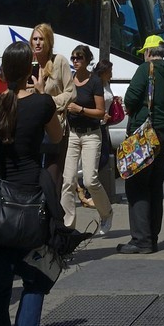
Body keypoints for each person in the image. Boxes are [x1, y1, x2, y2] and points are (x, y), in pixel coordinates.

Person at [0, 41, 63, 326]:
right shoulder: (41, 104)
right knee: (35, 275)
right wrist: (43, 92)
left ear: (3, 70)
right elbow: (57, 137)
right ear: (29, 72)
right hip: (31, 198)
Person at [119, 34, 164, 255]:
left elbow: (130, 99)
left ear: (148, 52)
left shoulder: (145, 70)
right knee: (155, 186)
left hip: (145, 135)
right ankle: (151, 237)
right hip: (162, 134)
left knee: (136, 185)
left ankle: (141, 240)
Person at [61, 45, 112, 234]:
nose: (75, 61)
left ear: (87, 60)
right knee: (68, 181)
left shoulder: (95, 81)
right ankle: (68, 227)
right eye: (73, 57)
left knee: (90, 180)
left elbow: (100, 112)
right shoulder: (69, 80)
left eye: (79, 58)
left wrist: (80, 109)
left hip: (91, 134)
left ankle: (106, 213)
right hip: (72, 133)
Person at [29, 23, 73, 190]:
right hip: (32, 126)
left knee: (53, 176)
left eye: (42, 39)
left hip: (55, 125)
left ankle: (52, 213)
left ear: (49, 42)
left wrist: (47, 100)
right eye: (35, 39)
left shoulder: (59, 61)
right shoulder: (28, 63)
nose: (38, 43)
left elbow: (71, 92)